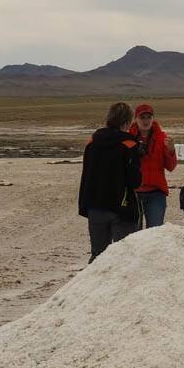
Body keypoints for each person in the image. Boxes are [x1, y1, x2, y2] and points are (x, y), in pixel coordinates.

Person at [78, 102, 142, 262]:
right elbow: (135, 181)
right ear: (128, 121)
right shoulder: (129, 145)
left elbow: (86, 174)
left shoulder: (92, 143)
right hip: (121, 207)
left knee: (98, 256)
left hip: (95, 206)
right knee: (123, 257)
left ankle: (92, 286)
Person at [128, 103, 177, 228]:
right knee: (133, 233)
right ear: (136, 119)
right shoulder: (128, 139)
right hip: (134, 192)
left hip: (156, 193)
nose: (146, 121)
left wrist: (171, 151)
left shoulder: (162, 138)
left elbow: (170, 167)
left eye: (148, 117)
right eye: (142, 117)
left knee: (155, 233)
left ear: (153, 118)